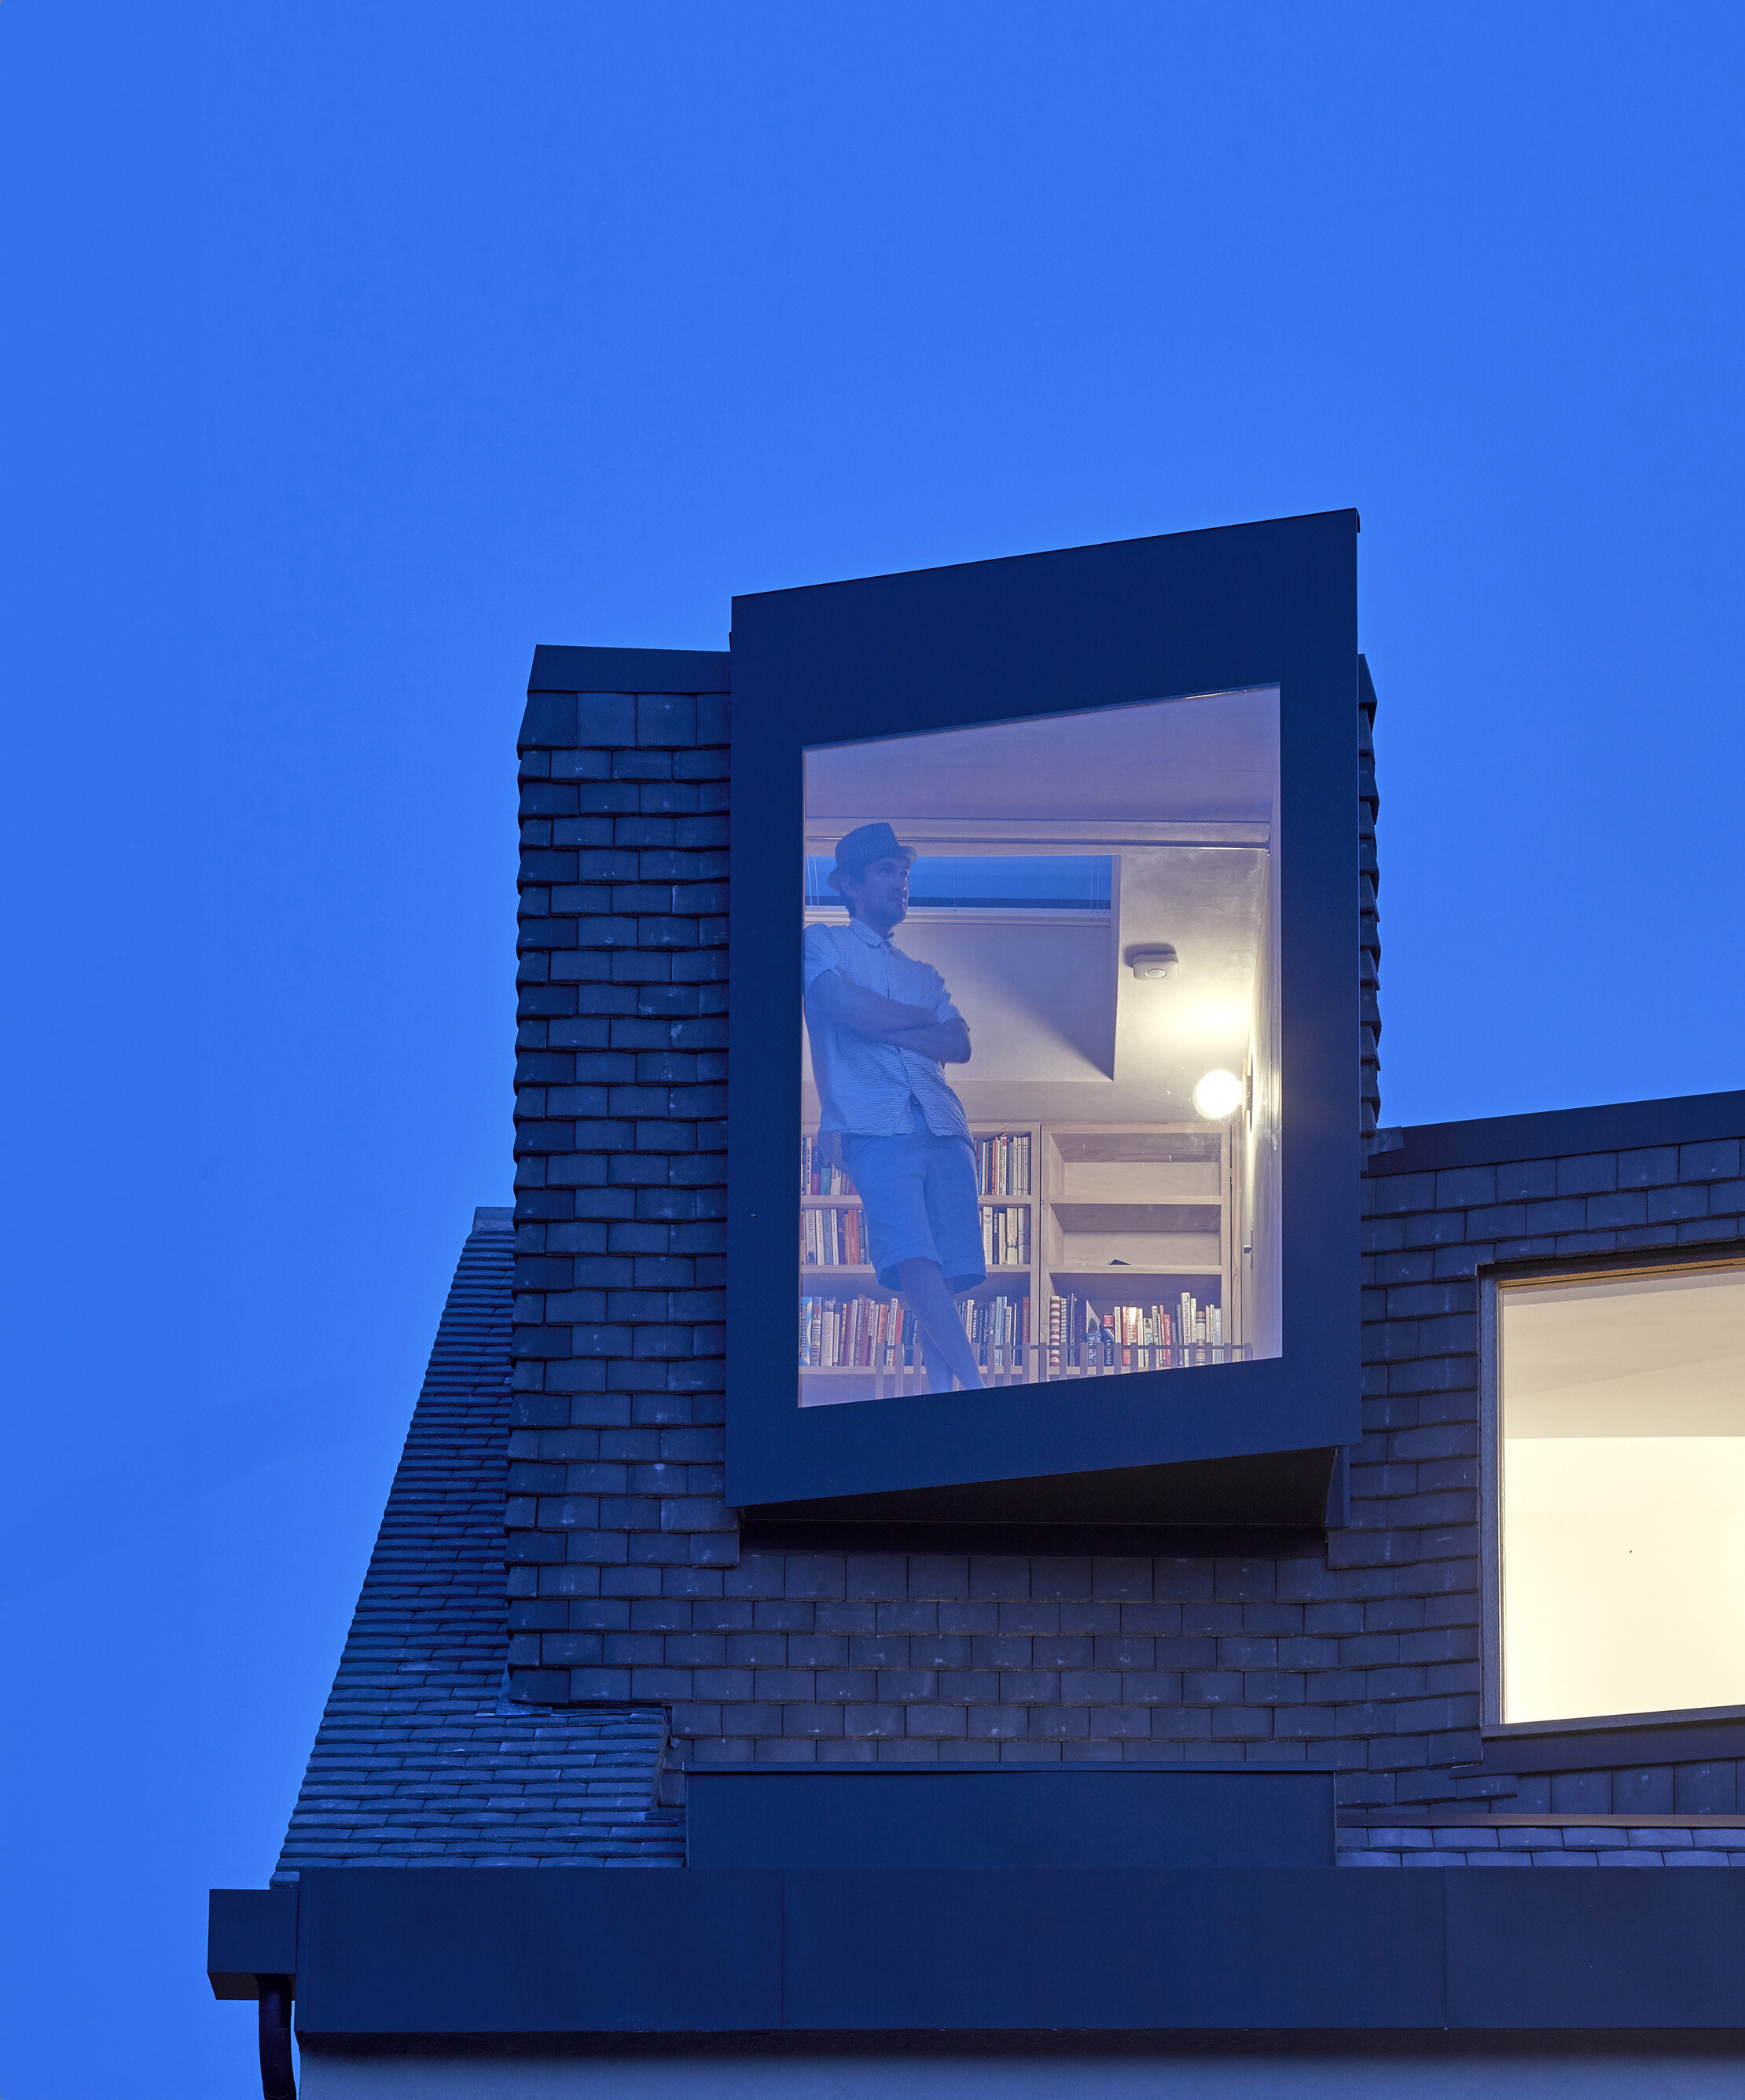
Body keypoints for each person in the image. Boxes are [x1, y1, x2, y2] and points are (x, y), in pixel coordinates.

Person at [803, 821, 986, 1393]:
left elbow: (957, 1044)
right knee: (911, 1254)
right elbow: (842, 1005)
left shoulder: (922, 974)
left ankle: (941, 1397)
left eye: (904, 873)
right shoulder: (823, 943)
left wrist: (880, 1021)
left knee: (946, 1271)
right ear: (849, 885)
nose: (901, 882)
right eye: (887, 871)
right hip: (871, 1123)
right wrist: (917, 1022)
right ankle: (976, 1387)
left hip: (942, 1120)